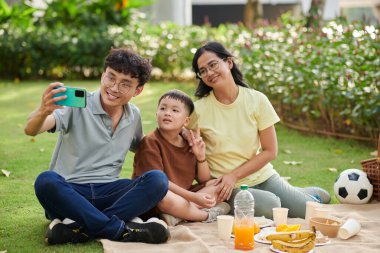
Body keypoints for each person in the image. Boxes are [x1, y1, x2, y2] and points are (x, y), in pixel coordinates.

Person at [24, 48, 170, 245]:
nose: (114, 87)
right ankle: (119, 229)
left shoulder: (133, 115)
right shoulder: (77, 104)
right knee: (45, 181)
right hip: (71, 193)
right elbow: (32, 130)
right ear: (103, 75)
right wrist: (43, 111)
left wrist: (177, 134)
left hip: (109, 193)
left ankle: (79, 228)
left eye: (125, 84)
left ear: (138, 90)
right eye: (111, 77)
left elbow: (143, 147)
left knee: (158, 180)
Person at [187, 41, 331, 219]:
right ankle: (292, 195)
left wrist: (234, 174)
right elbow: (190, 151)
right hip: (225, 186)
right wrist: (215, 181)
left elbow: (270, 151)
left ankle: (303, 194)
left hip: (262, 176)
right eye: (202, 71)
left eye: (213, 64)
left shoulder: (257, 100)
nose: (209, 73)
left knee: (308, 211)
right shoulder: (198, 110)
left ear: (229, 63)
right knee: (271, 206)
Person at [133, 89, 230, 226]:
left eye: (174, 110)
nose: (167, 113)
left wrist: (200, 156)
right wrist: (195, 198)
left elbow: (204, 179)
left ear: (186, 121)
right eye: (163, 108)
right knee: (164, 197)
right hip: (157, 197)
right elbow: (158, 184)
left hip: (183, 196)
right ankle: (205, 215)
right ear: (156, 114)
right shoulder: (150, 143)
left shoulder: (188, 142)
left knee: (217, 185)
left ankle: (179, 215)